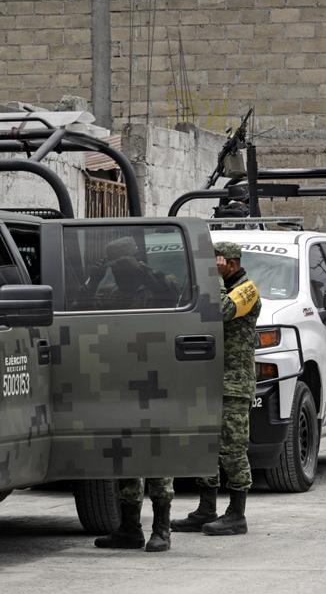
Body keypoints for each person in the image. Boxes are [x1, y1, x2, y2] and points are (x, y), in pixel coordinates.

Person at [92, 236, 178, 553]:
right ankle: (129, 528)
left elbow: (170, 290)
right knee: (125, 458)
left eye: (124, 263)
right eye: (117, 265)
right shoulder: (110, 294)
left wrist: (140, 269)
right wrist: (95, 276)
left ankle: (162, 529)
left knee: (156, 456)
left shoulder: (158, 286)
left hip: (155, 383)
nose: (122, 270)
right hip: (122, 384)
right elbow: (79, 307)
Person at [172, 240, 261, 536]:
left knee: (232, 449)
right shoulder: (219, 286)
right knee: (204, 446)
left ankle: (237, 513)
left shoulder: (247, 290)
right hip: (208, 380)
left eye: (215, 261)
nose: (210, 267)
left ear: (230, 264)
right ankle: (206, 509)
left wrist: (212, 279)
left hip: (234, 383)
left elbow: (221, 311)